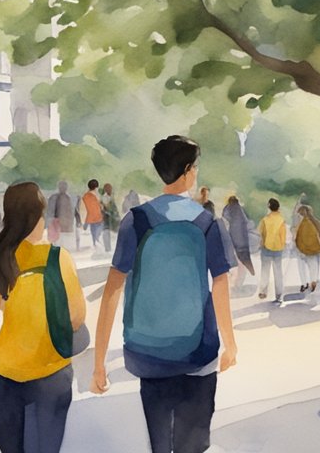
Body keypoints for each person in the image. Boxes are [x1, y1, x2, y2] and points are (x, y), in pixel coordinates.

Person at [92, 135, 237, 453]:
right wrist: (230, 344)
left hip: (149, 355)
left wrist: (99, 362)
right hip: (198, 355)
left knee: (160, 445)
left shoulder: (137, 220)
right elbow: (221, 287)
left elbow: (112, 290)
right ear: (187, 170)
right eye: (195, 167)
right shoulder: (207, 223)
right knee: (194, 446)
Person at [0, 182, 86, 453]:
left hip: (7, 376)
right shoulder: (59, 258)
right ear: (39, 216)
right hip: (52, 374)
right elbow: (78, 315)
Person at [222, 196, 255, 292]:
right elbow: (248, 223)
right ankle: (239, 284)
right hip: (243, 240)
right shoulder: (242, 211)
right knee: (243, 262)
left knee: (233, 263)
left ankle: (233, 284)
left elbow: (224, 222)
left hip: (231, 241)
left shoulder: (227, 210)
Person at [257, 198, 287, 303]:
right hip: (278, 249)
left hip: (266, 248)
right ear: (278, 207)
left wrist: (261, 244)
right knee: (278, 272)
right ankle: (279, 294)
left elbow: (260, 233)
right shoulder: (282, 220)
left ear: (269, 207)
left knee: (265, 271)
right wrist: (282, 245)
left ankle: (263, 292)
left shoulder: (265, 219)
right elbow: (283, 236)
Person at [294, 204, 320, 295]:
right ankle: (313, 281)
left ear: (301, 214)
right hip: (314, 249)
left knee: (301, 267)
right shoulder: (316, 222)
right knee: (314, 266)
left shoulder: (302, 224)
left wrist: (298, 246)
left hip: (303, 249)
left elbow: (298, 238)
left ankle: (304, 283)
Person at [47, 181, 74, 247]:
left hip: (59, 221)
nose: (63, 188)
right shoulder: (66, 198)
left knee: (59, 238)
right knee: (59, 238)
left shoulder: (65, 198)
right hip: (58, 221)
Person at [81, 179, 105, 254]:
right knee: (98, 234)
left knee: (93, 233)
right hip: (98, 218)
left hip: (90, 219)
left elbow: (83, 209)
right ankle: (97, 247)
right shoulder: (96, 196)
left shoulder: (85, 196)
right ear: (96, 187)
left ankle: (95, 245)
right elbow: (99, 207)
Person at [100, 182, 119, 253]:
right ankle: (107, 249)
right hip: (107, 218)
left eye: (111, 188)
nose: (110, 190)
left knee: (112, 233)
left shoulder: (111, 197)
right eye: (109, 188)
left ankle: (110, 249)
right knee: (106, 232)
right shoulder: (105, 198)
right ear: (105, 189)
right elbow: (106, 208)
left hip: (112, 218)